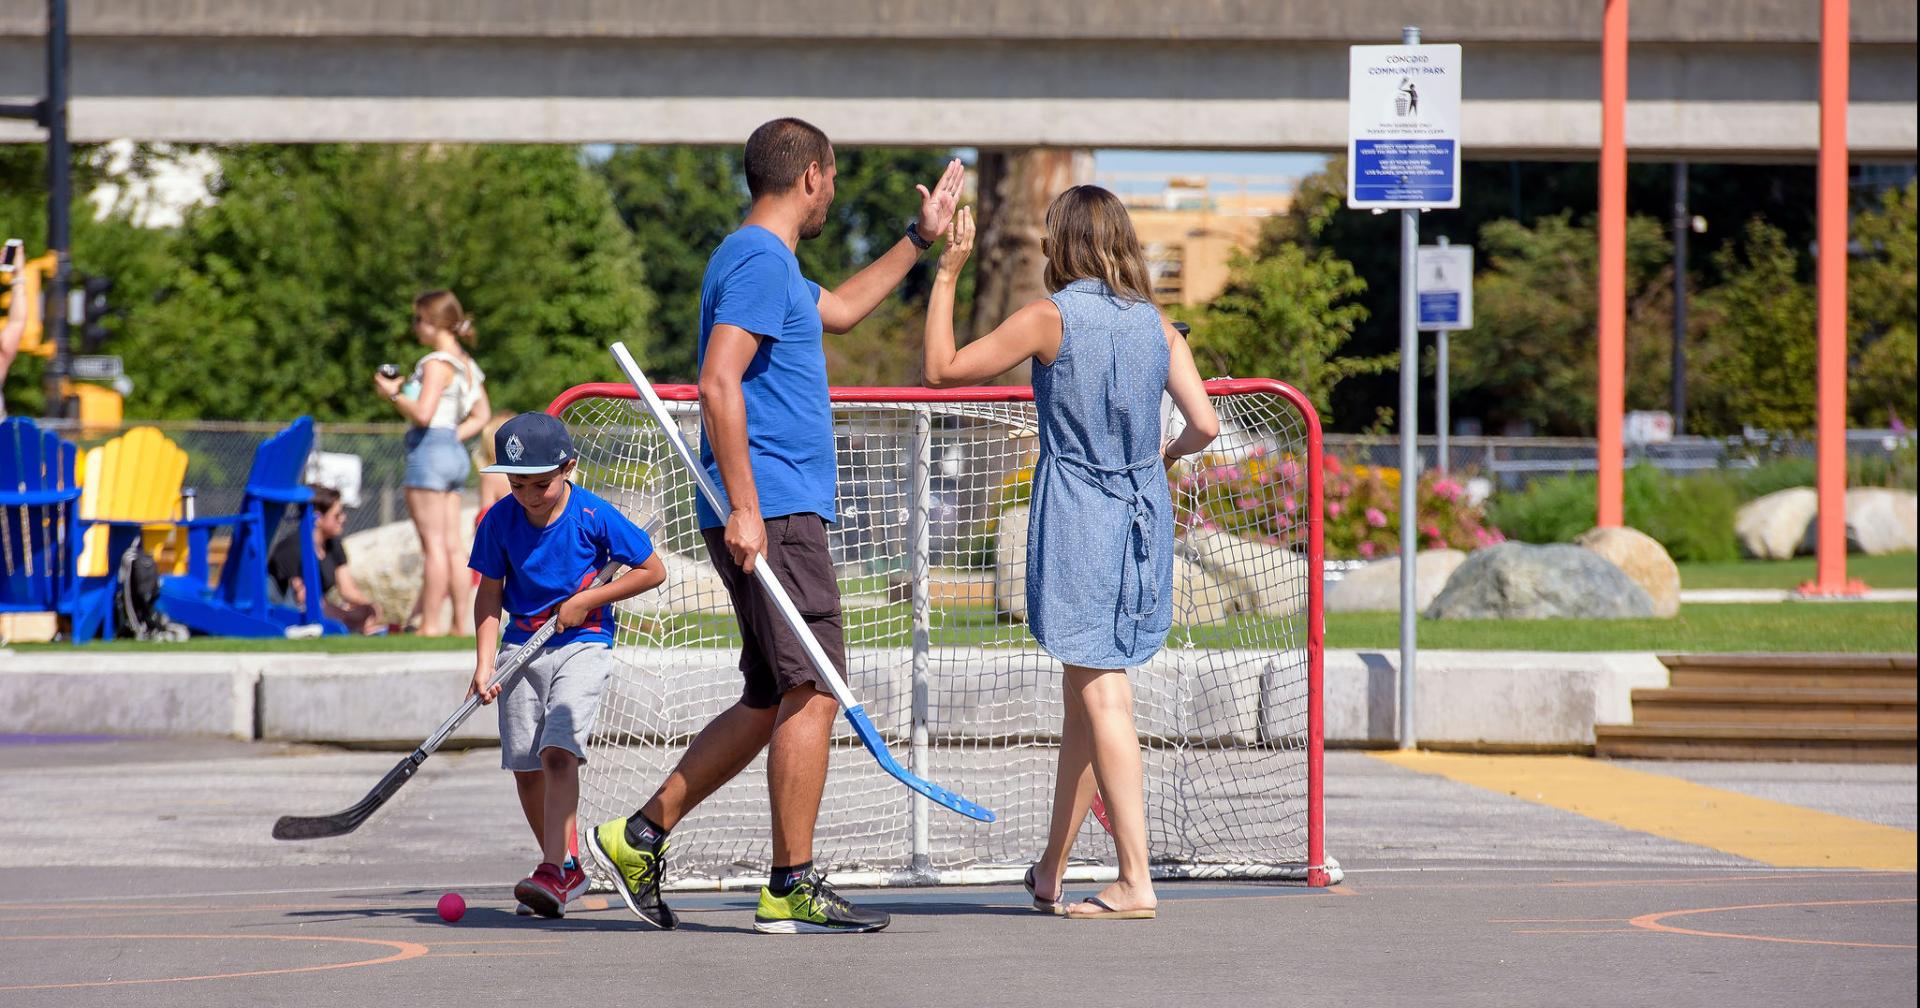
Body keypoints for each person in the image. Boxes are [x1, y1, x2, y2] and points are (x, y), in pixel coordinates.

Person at [587, 118, 964, 935]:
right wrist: (750, 507)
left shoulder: (767, 261)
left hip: (778, 506)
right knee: (814, 689)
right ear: (813, 179)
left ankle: (639, 835)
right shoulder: (759, 260)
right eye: (832, 178)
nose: (833, 190)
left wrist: (918, 239)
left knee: (769, 697)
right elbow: (719, 381)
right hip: (775, 509)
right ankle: (790, 884)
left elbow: (845, 312)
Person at [918, 185, 1220, 921]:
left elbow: (943, 370)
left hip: (1081, 517)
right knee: (1085, 700)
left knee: (1104, 693)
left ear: (1061, 243)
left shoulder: (1048, 317)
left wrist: (950, 272)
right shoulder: (1158, 325)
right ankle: (1051, 868)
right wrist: (1163, 455)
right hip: (1142, 517)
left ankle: (1134, 880)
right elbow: (1205, 425)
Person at [467, 412, 667, 919]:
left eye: (541, 483)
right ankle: (563, 867)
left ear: (568, 468)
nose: (530, 495)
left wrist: (590, 598)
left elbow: (651, 569)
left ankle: (553, 870)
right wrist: (485, 660)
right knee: (527, 766)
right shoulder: (498, 521)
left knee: (558, 749)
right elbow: (490, 594)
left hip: (584, 641)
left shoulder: (593, 515)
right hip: (521, 646)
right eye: (517, 485)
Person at [373, 290, 491, 636]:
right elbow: (482, 414)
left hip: (429, 451)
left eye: (419, 319)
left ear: (435, 322)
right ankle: (458, 625)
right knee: (453, 546)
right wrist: (454, 435)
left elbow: (423, 414)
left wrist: (393, 394)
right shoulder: (467, 364)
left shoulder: (436, 362)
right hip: (453, 452)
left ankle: (429, 625)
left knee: (434, 546)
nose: (415, 327)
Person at [267, 484, 384, 634]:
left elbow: (348, 589)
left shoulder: (333, 544)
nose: (343, 518)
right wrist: (348, 618)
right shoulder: (292, 548)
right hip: (288, 608)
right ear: (317, 517)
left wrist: (368, 608)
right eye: (337, 515)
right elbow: (304, 597)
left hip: (318, 608)